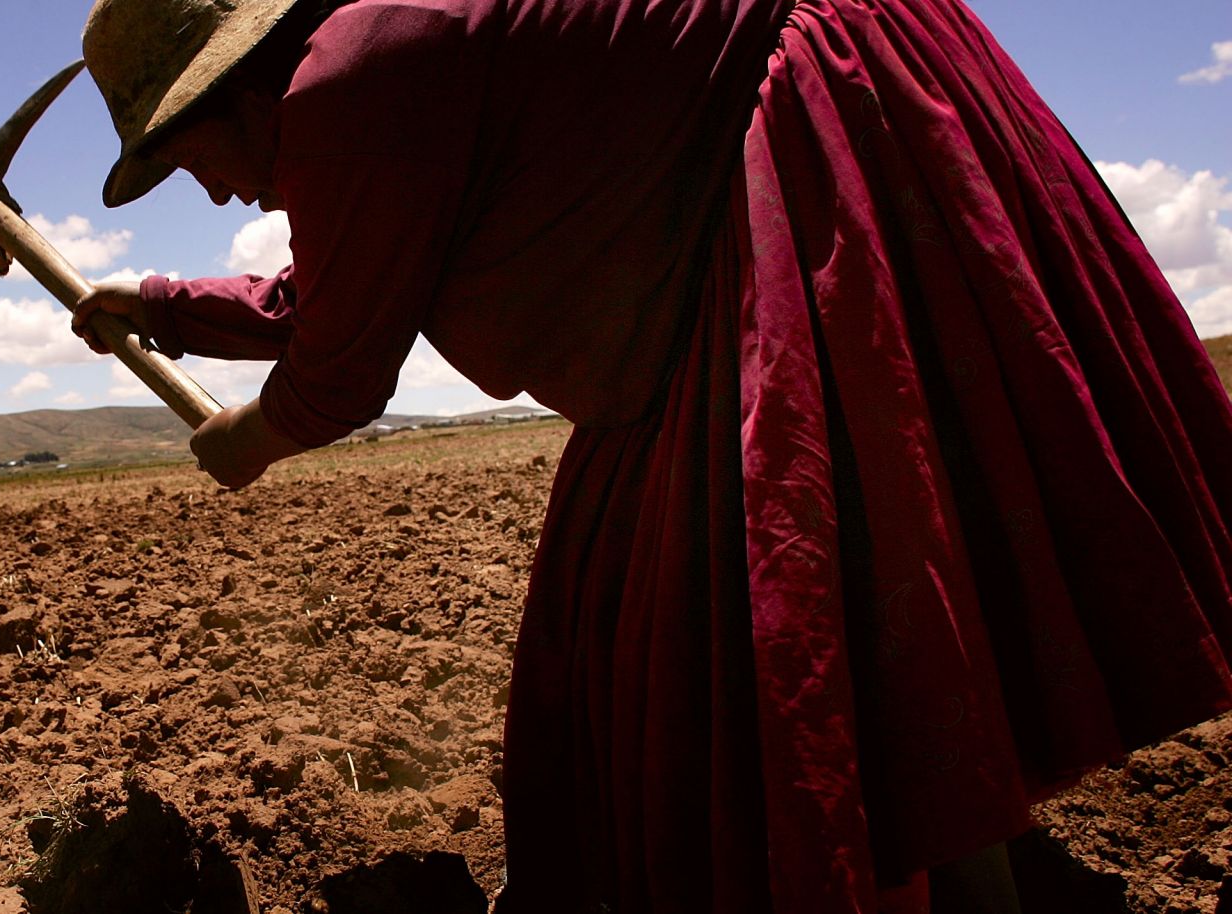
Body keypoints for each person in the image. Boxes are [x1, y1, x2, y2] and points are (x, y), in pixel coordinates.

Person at [70, 0, 1232, 910]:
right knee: (732, 588)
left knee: (815, 590)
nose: (215, 186)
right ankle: (969, 864)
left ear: (238, 77)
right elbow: (351, 274)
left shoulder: (354, 74)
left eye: (190, 154)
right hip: (746, 182)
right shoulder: (376, 65)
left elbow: (340, 363)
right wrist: (163, 302)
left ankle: (951, 880)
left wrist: (252, 435)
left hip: (814, 142)